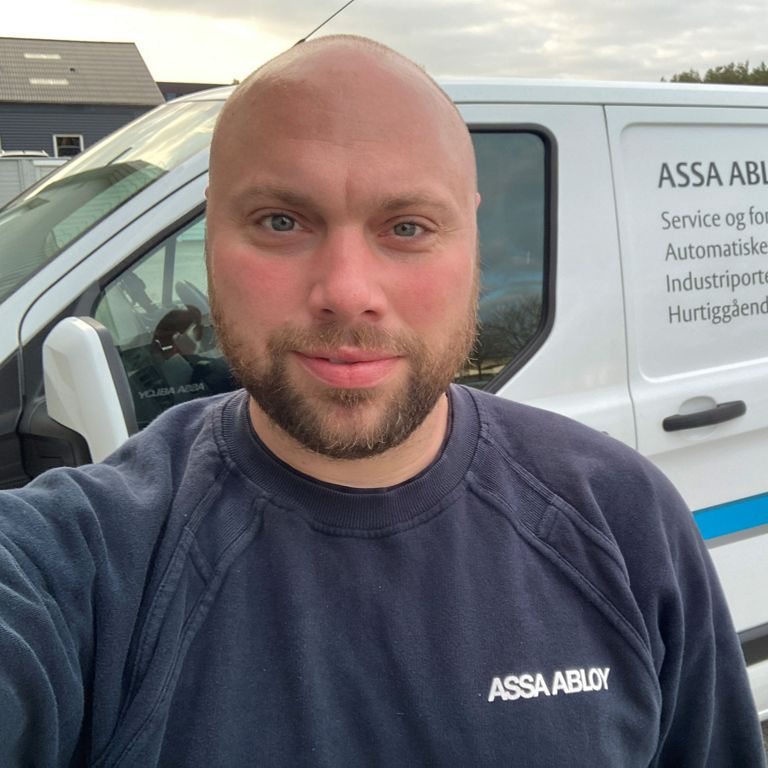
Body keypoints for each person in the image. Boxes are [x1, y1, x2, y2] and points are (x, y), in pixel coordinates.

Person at [0, 35, 764, 767]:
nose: (347, 291)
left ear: (473, 242)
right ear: (213, 229)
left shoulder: (626, 519)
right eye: (280, 221)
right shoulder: (80, 567)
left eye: (406, 227)